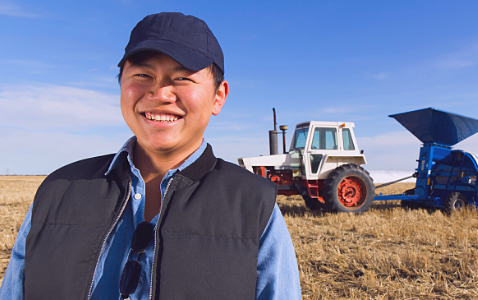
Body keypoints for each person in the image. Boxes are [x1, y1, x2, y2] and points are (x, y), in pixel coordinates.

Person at [0, 12, 302, 300]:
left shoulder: (254, 208)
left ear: (218, 96)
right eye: (143, 74)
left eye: (182, 78)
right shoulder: (57, 192)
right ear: (121, 85)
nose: (159, 93)